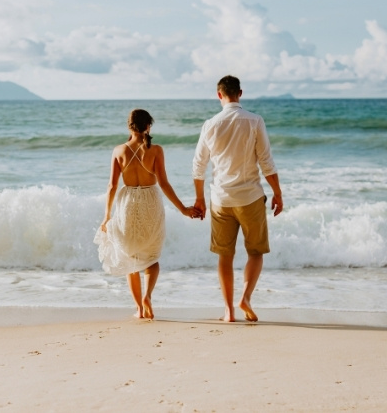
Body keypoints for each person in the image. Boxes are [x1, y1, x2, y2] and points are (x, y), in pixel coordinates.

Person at [192, 75, 284, 322]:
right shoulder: (254, 121)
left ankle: (228, 311)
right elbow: (266, 160)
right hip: (250, 197)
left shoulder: (210, 124)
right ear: (240, 93)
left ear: (219, 95)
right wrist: (277, 192)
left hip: (221, 199)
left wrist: (199, 199)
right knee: (255, 252)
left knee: (225, 255)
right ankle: (245, 297)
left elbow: (198, 166)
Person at [94, 108, 198, 319]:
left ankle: (139, 309)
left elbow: (112, 186)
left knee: (129, 257)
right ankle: (147, 296)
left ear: (129, 126)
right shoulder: (156, 150)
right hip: (151, 202)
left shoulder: (118, 151)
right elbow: (164, 183)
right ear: (148, 125)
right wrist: (183, 209)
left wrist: (107, 215)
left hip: (128, 204)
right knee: (151, 256)